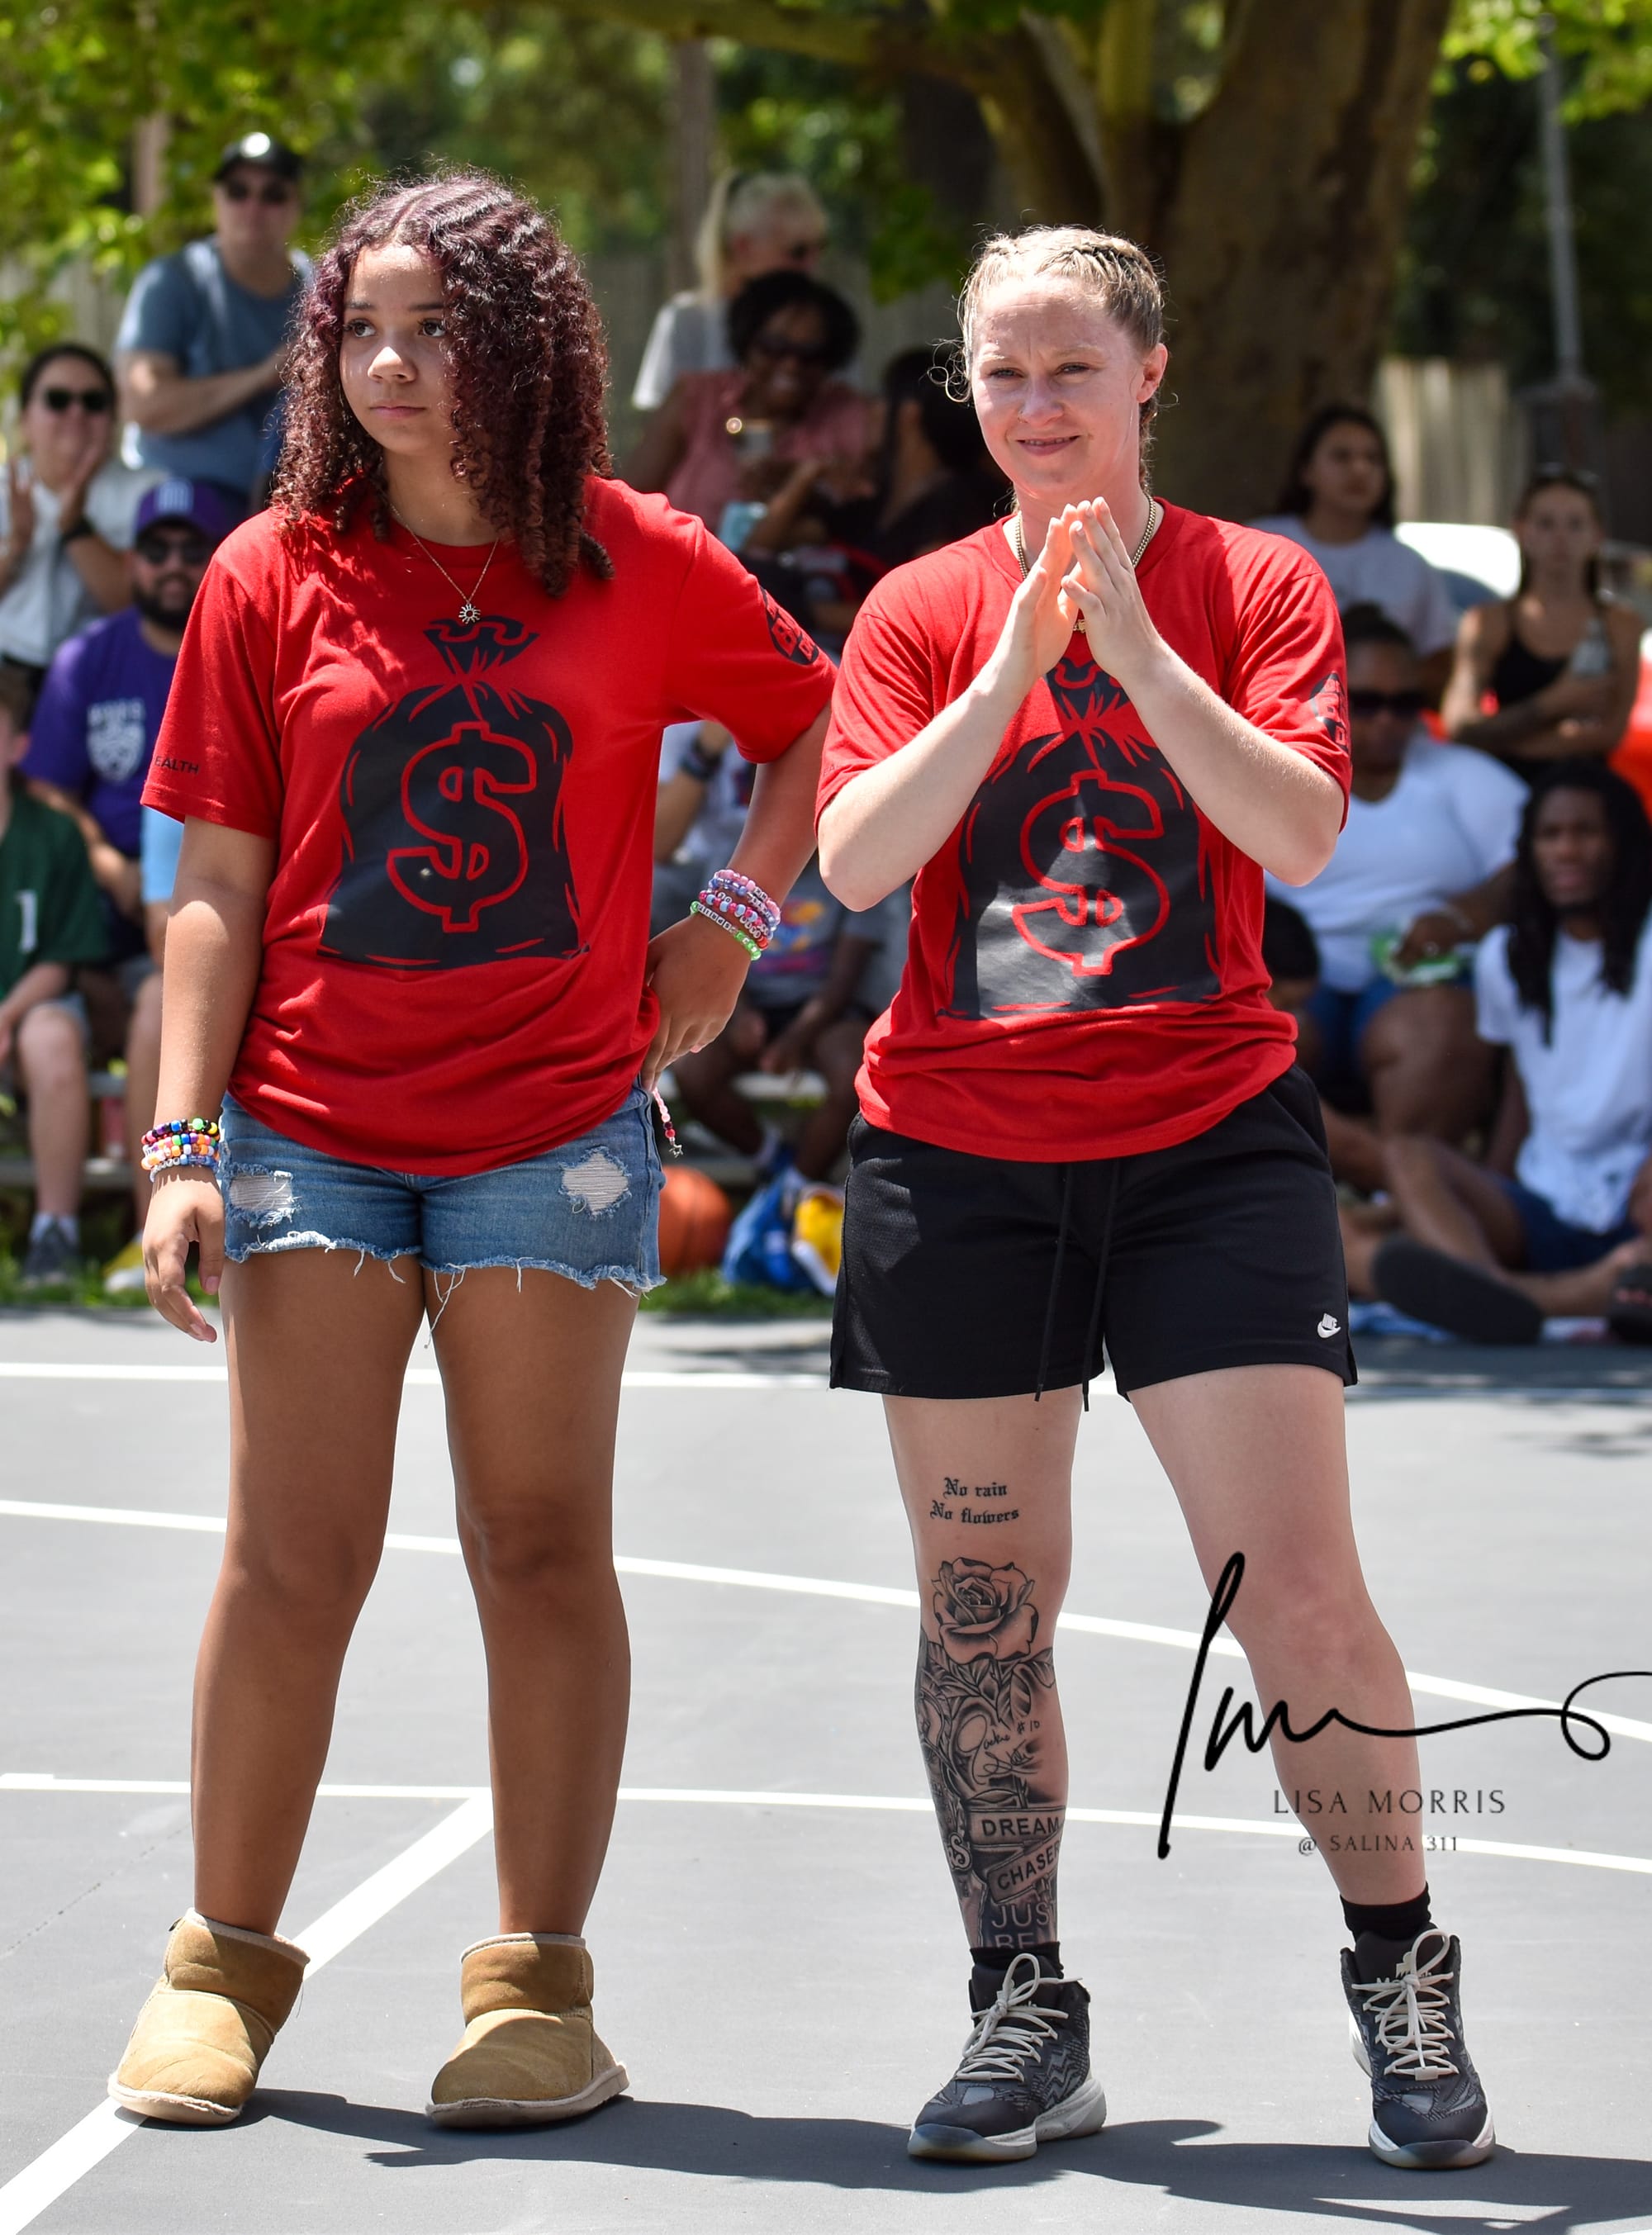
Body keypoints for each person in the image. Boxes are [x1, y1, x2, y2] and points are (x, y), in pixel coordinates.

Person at [109, 169, 831, 2132]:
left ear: (521, 349)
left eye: (435, 329)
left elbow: (816, 723)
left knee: (536, 1544)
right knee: (291, 1558)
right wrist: (180, 1139)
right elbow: (212, 885)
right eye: (362, 329)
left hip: (552, 1133)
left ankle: (536, 1992)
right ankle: (219, 1969)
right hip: (313, 1137)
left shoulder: (640, 556)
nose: (392, 364)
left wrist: (729, 922)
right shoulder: (268, 570)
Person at [818, 225, 1495, 2173]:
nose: (1034, 407)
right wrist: (1008, 668)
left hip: (1205, 1142)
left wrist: (1128, 649)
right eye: (1000, 375)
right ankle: (1020, 2005)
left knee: (1296, 1592)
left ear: (1147, 378)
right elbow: (855, 863)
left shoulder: (1253, 581)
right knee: (980, 1609)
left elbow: (1298, 827)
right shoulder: (917, 605)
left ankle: (1396, 1960)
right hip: (960, 1155)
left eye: (1071, 370)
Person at [1350, 764, 1652, 1344]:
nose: (1566, 850)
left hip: (1636, 1201)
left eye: (1586, 832)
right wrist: (1481, 1196)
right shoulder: (1505, 956)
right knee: (1409, 1158)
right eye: (1550, 835)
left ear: (1624, 845)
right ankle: (1516, 1295)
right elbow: (1520, 1090)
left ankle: (1514, 1298)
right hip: (1547, 1199)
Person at [22, 478, 230, 1290]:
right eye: (156, 549)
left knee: (160, 1006)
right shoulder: (89, 658)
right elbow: (46, 788)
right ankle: (124, 1233)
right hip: (88, 916)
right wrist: (108, 865)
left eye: (191, 549)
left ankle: (161, 1230)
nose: (173, 565)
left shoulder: (239, 653)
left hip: (198, 906)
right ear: (130, 560)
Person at [1270, 605, 1525, 1187]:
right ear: (1327, 695)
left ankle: (1396, 1197)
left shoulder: (1463, 776)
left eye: (1406, 704)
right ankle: (1386, 1186)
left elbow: (1531, 863)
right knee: (1255, 1030)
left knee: (1439, 1028)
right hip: (1300, 982)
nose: (1388, 720)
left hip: (1418, 985)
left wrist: (1462, 917)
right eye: (1367, 702)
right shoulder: (1273, 769)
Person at [116, 132, 312, 518]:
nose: (253, 207)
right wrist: (263, 376)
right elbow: (144, 404)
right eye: (238, 191)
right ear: (216, 200)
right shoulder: (173, 280)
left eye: (273, 194)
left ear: (296, 207)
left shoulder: (319, 288)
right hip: (178, 508)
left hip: (286, 509)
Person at [670, 856, 882, 1184]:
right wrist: (740, 1014)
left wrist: (795, 1040)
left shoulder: (857, 873)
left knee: (856, 1072)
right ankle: (773, 1161)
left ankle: (798, 1184)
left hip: (827, 1014)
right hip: (746, 1003)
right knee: (692, 1070)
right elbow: (713, 952)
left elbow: (842, 981)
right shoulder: (734, 862)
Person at [0, 665, 108, 1286]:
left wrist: (6, 1016)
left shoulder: (55, 835)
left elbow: (63, 957)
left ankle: (54, 1233)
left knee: (51, 1039)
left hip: (32, 1004)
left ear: (18, 747)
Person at [625, 270, 867, 539]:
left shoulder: (847, 413)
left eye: (809, 355)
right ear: (746, 341)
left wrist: (797, 480)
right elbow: (631, 503)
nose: (791, 365)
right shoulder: (698, 397)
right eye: (774, 348)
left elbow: (863, 508)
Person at [1441, 468, 1642, 784]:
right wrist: (1559, 700)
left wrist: (1503, 740)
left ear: (1597, 536)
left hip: (1586, 791)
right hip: (1507, 788)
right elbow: (1460, 726)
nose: (1560, 538)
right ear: (1520, 530)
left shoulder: (1622, 625)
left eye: (1575, 524)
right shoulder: (1487, 622)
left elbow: (1609, 734)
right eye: (1546, 523)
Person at [1252, 403, 1458, 698]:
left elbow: (1438, 663)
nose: (1360, 470)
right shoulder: (1260, 544)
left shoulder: (1410, 565)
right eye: (1342, 456)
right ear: (1306, 471)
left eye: (1373, 459)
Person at [0, 344, 156, 705]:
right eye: (57, 400)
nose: (76, 413)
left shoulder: (149, 495)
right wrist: (17, 545)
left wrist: (75, 527)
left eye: (93, 402)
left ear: (113, 418)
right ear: (25, 419)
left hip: (105, 678)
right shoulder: (6, 489)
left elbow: (140, 608)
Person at [631, 170, 828, 413]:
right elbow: (663, 419)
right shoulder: (688, 320)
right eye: (797, 251)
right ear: (743, 247)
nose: (811, 265)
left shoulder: (826, 325)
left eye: (819, 249)